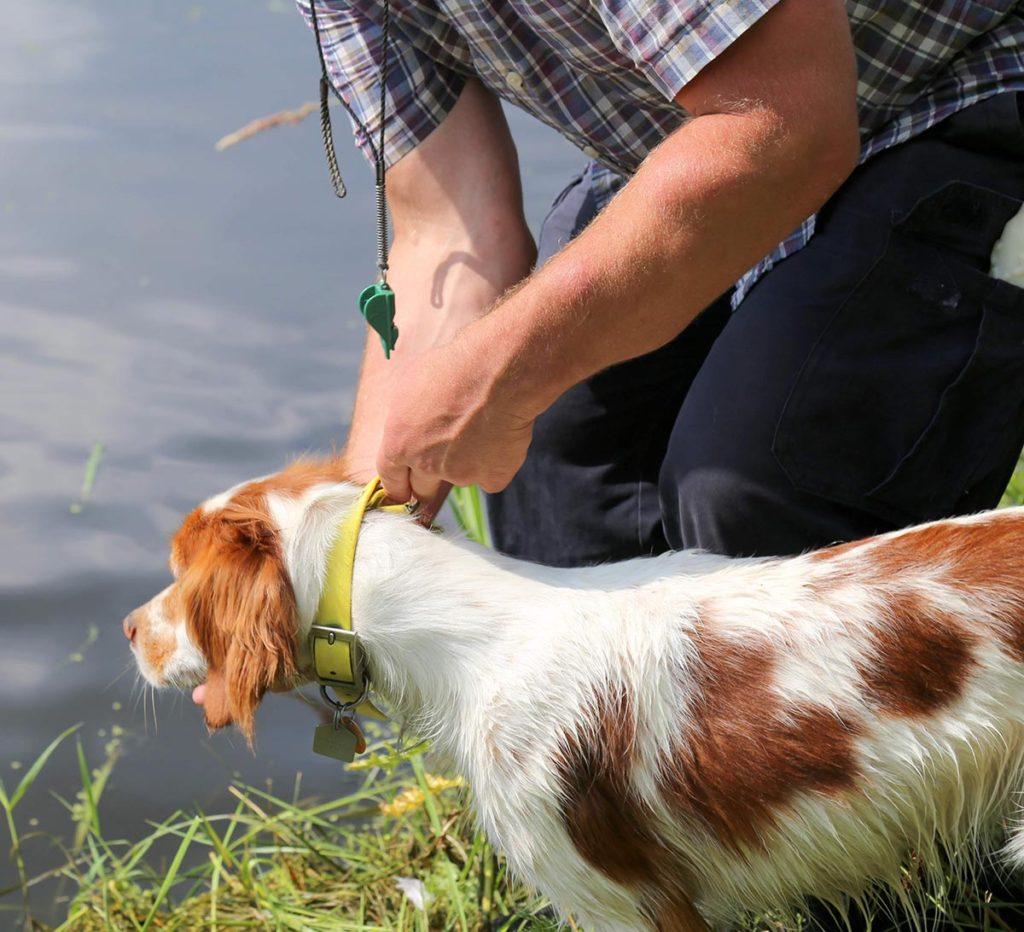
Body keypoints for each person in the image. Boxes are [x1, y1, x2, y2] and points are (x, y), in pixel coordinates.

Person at [302, 0, 1024, 569]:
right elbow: (447, 235)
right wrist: (355, 545)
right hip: (712, 126)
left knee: (754, 486)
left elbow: (784, 127)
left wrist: (500, 375)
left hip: (952, 87)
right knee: (553, 459)